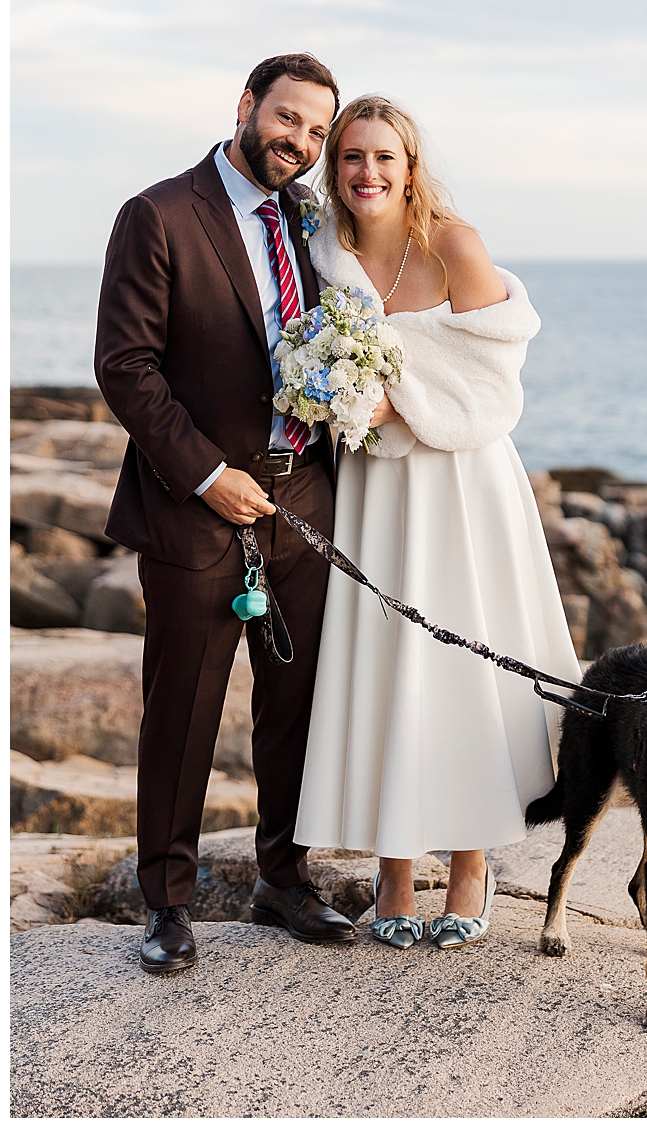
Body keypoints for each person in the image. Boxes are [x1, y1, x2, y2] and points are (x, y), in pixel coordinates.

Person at [292, 96, 580, 950]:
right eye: (349, 158)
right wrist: (338, 393)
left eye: (383, 157)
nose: (366, 173)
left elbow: (496, 380)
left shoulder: (453, 243)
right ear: (333, 169)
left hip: (462, 484)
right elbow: (308, 353)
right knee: (383, 666)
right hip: (376, 492)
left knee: (462, 667)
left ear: (410, 166)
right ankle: (391, 877)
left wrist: (395, 395)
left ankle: (468, 868)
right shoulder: (326, 249)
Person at [95, 53, 359, 974]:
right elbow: (126, 367)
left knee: (295, 706)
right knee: (183, 712)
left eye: (318, 132)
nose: (301, 143)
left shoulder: (314, 225)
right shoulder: (160, 214)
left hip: (303, 503)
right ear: (247, 106)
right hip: (193, 511)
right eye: (289, 119)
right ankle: (165, 904)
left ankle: (282, 877)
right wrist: (207, 476)